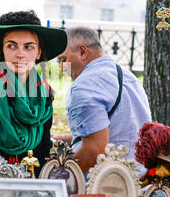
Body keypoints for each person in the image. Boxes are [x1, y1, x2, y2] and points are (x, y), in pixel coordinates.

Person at [0, 10, 67, 177]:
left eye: (28, 47)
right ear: (0, 51)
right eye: (11, 46)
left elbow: (44, 149)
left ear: (38, 52)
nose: (20, 54)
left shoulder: (44, 97)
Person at [53, 26, 151, 176]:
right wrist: (68, 140)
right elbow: (118, 132)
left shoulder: (84, 86)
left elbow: (95, 152)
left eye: (63, 60)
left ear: (82, 52)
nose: (62, 69)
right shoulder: (128, 77)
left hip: (105, 186)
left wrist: (58, 179)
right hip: (138, 179)